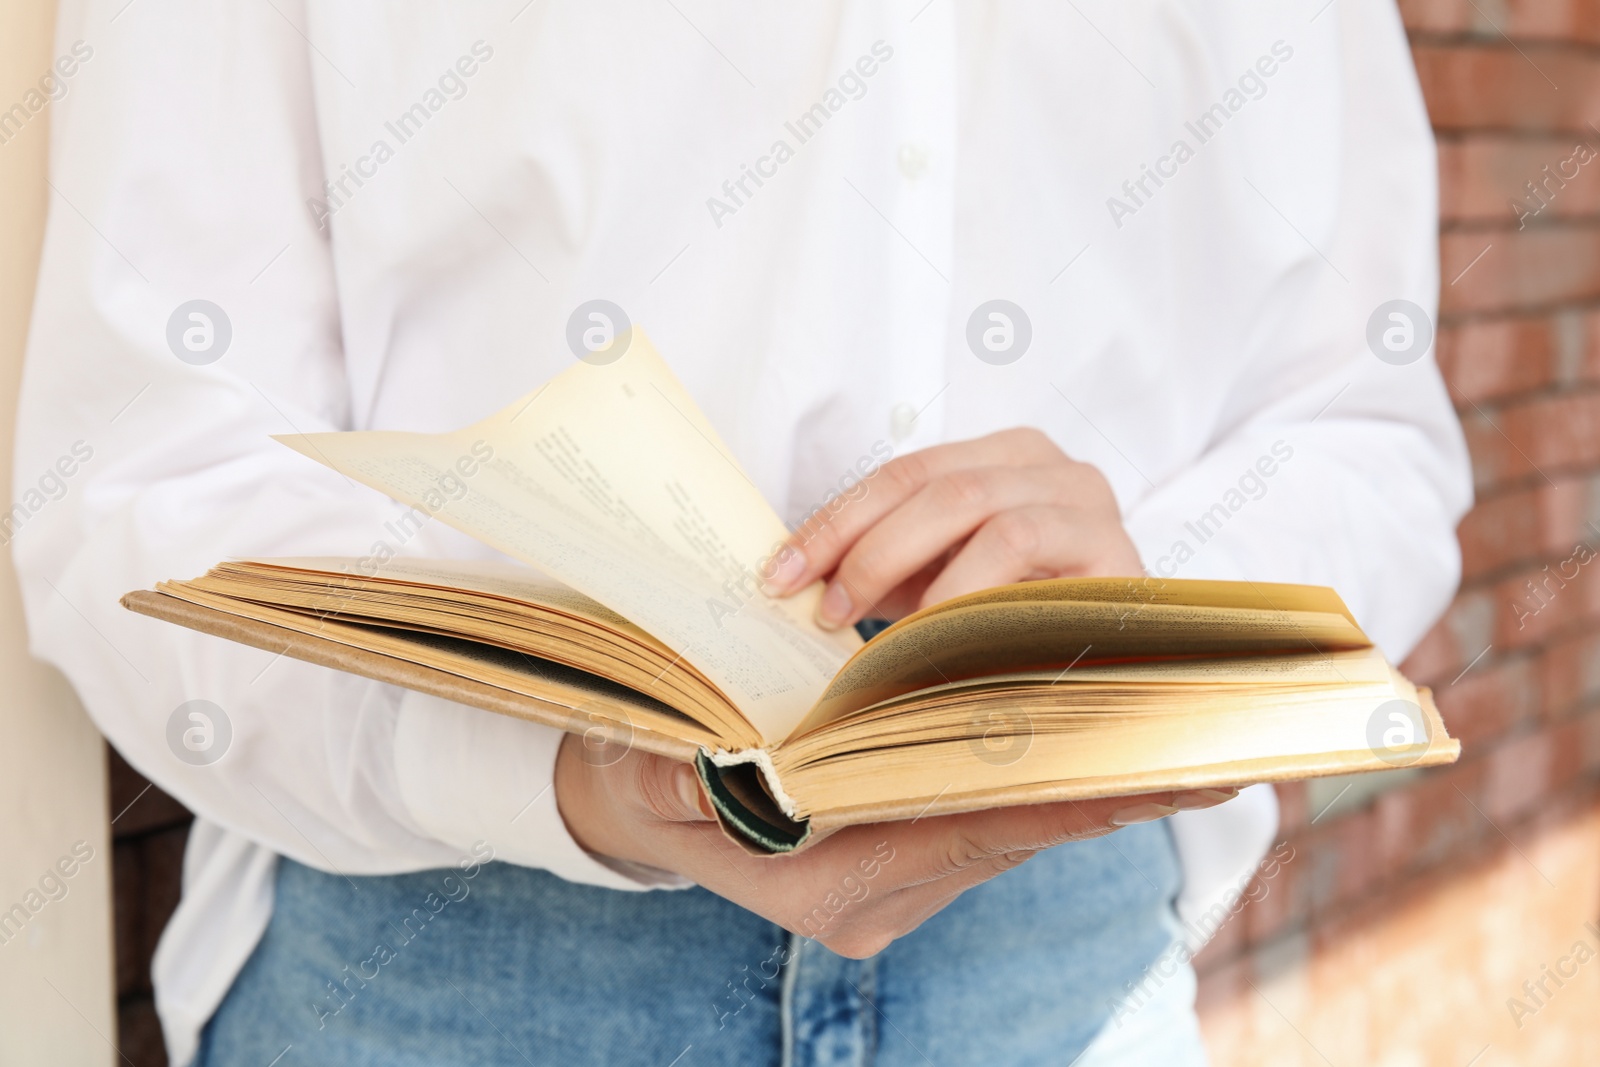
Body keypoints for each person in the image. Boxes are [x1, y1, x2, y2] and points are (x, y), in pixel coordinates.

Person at [12, 2, 1470, 1064]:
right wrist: (569, 762)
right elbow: (146, 475)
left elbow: (1371, 427)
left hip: (1070, 971)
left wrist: (1153, 611)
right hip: (445, 970)